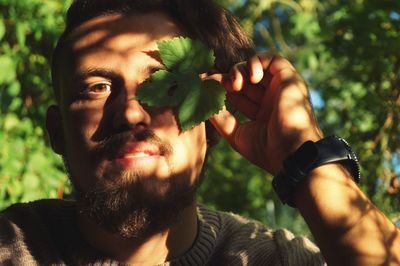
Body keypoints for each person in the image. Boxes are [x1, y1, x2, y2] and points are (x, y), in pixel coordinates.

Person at [0, 0, 399, 265]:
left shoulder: (276, 259)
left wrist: (308, 158)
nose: (131, 112)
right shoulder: (11, 245)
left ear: (212, 114)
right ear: (56, 130)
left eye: (164, 84)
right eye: (96, 88)